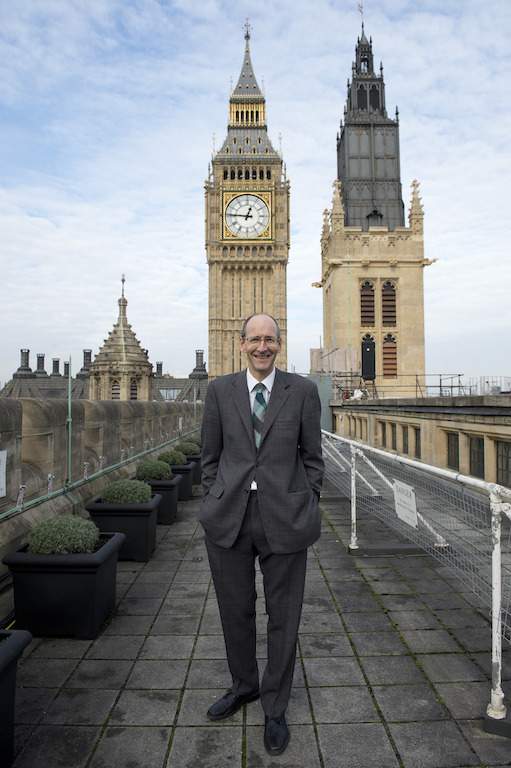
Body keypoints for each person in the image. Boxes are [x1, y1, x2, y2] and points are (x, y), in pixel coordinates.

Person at [199, 313, 324, 756]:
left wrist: (306, 498)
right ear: (242, 344)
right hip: (229, 514)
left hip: (284, 517)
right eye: (255, 339)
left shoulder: (303, 391)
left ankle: (275, 706)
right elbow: (208, 455)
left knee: (283, 615)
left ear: (279, 344)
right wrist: (213, 495)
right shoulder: (219, 390)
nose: (262, 346)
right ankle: (243, 686)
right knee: (235, 610)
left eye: (269, 339)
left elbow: (313, 456)